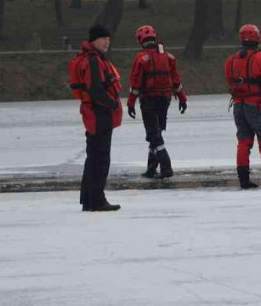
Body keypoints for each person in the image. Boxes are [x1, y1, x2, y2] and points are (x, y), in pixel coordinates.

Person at [69, 24, 123, 211]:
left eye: (108, 39)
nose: (107, 42)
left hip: (94, 113)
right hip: (99, 114)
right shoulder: (93, 61)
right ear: (94, 41)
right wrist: (113, 103)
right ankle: (97, 200)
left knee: (93, 156)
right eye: (103, 39)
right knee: (100, 158)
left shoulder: (92, 58)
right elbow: (95, 90)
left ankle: (88, 199)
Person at [224, 24, 261, 189]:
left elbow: (229, 80)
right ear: (257, 38)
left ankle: (243, 179)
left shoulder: (231, 59)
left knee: (243, 141)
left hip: (239, 105)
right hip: (256, 104)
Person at [127, 24, 187, 179]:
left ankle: (166, 168)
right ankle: (151, 168)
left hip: (149, 100)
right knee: (156, 133)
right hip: (165, 99)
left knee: (154, 135)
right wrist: (182, 98)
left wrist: (130, 103)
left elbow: (135, 83)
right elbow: (176, 79)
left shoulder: (141, 59)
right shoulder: (168, 56)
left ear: (140, 40)